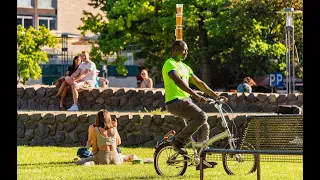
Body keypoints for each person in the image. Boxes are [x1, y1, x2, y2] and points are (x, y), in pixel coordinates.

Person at [162, 40, 227, 157]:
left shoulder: (185, 67)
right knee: (202, 116)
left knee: (204, 124)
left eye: (187, 50)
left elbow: (199, 83)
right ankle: (178, 141)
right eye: (184, 50)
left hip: (186, 101)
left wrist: (216, 96)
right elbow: (178, 82)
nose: (186, 52)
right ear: (176, 50)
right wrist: (196, 96)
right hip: (175, 101)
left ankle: (201, 158)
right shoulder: (169, 64)